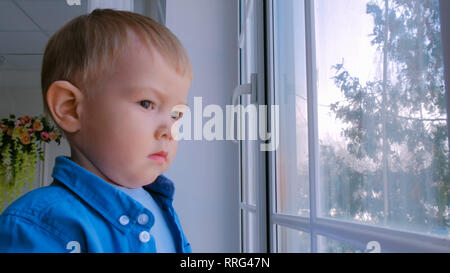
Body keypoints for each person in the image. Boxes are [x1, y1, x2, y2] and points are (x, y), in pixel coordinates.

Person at [0, 9, 192, 253]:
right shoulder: (38, 225)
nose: (169, 130)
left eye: (176, 114)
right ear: (70, 108)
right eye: (147, 103)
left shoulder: (161, 206)